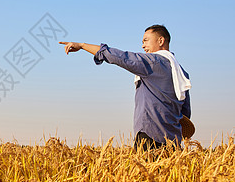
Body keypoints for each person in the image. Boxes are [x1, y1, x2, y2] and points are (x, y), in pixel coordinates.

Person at [59, 25, 191, 151]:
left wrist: (82, 46)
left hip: (150, 137)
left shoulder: (152, 62)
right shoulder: (181, 73)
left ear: (161, 40)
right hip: (173, 142)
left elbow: (121, 57)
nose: (143, 45)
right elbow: (185, 113)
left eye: (146, 40)